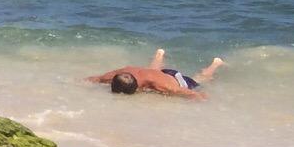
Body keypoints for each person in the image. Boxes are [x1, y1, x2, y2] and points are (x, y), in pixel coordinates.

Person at [87, 47, 224, 100]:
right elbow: (96, 79)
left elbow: (182, 91)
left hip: (176, 80)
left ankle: (216, 64)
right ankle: (159, 54)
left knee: (199, 80)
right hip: (155, 74)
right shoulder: (119, 75)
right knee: (152, 72)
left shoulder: (160, 85)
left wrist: (201, 96)